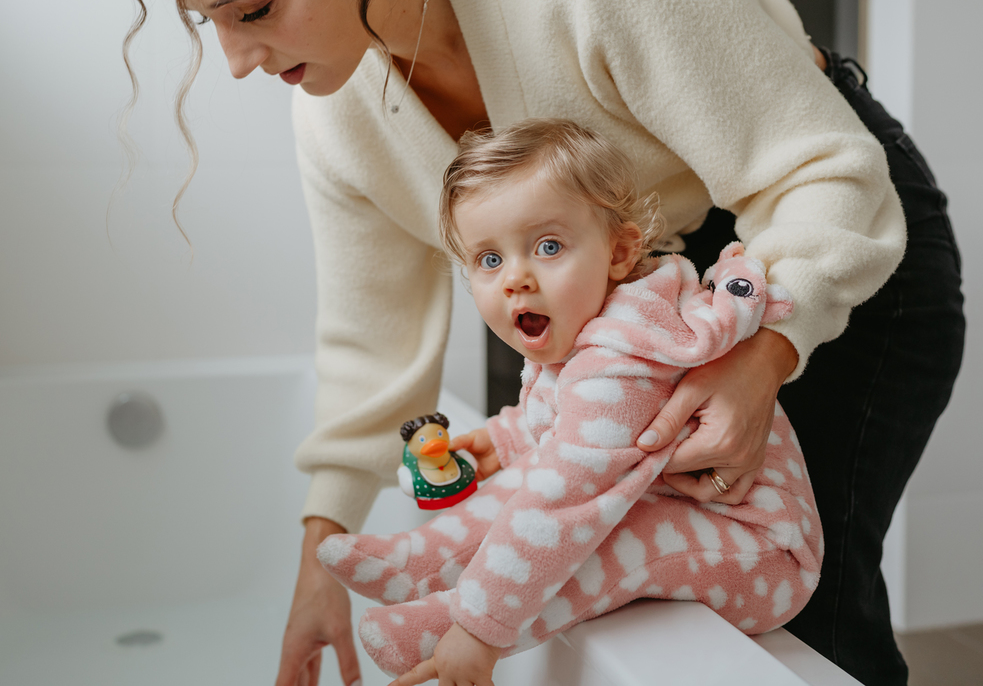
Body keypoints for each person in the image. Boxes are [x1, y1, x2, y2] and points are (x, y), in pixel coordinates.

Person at [116, 0, 965, 684]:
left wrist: (762, 358)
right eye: (208, 22)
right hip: (652, 277)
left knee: (807, 616)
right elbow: (372, 345)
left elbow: (827, 175)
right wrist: (319, 569)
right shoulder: (334, 113)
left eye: (252, 11)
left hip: (827, 232)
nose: (237, 62)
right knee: (668, 600)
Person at [316, 119, 823, 684]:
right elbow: (568, 417)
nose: (515, 279)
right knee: (535, 475)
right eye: (489, 260)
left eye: (548, 246)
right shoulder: (593, 320)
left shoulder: (627, 355)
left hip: (763, 551)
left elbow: (562, 503)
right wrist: (507, 438)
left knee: (599, 530)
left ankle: (445, 623)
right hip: (684, 505)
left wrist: (480, 630)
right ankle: (418, 561)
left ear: (619, 251)